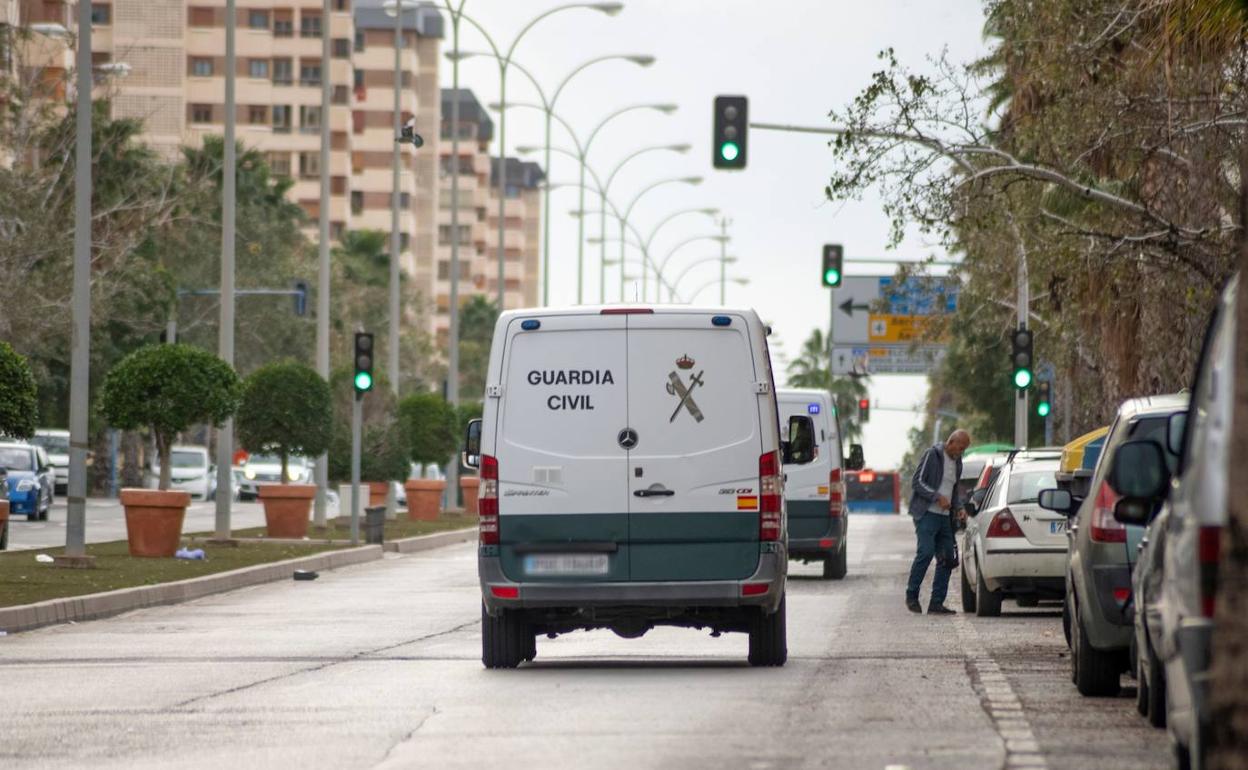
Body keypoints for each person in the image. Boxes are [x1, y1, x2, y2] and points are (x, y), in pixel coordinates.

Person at [905, 429, 971, 615]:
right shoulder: (932, 455)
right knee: (925, 553)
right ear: (950, 442)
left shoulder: (958, 462)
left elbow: (954, 489)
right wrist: (936, 497)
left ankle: (936, 602)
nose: (961, 452)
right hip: (926, 513)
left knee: (947, 559)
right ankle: (912, 595)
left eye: (964, 449)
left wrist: (959, 508)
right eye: (959, 448)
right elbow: (917, 482)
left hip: (945, 518)